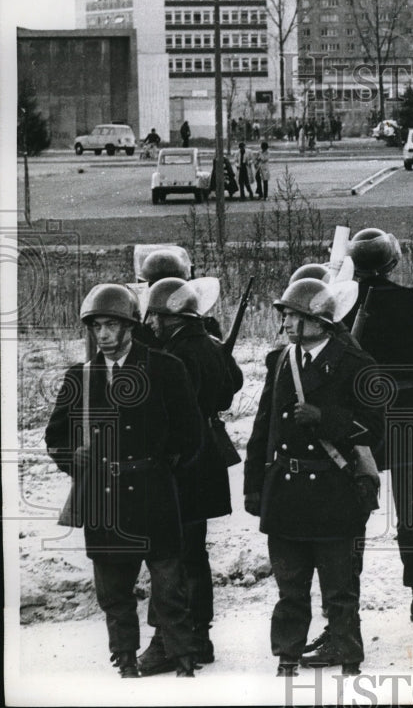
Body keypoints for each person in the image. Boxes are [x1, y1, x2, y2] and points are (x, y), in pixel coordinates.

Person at [45, 284, 203, 677]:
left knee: (169, 585)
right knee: (113, 590)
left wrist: (160, 470)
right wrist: (74, 462)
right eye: (96, 326)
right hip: (104, 496)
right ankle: (126, 658)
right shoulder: (80, 377)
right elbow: (55, 437)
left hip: (153, 492)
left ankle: (183, 656)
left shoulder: (165, 368)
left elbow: (190, 434)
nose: (102, 334)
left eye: (111, 324)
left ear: (130, 326)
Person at [244, 277, 384, 677]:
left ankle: (348, 656)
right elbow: (263, 427)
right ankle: (287, 657)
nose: (287, 323)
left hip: (334, 490)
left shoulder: (356, 363)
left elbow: (374, 428)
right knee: (290, 587)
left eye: (295, 315)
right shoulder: (280, 362)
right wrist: (254, 486)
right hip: (286, 491)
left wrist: (327, 420)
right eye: (286, 315)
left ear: (321, 322)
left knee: (340, 589)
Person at [339, 228, 413, 624]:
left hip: (358, 417)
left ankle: (345, 602)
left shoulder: (341, 304)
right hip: (407, 413)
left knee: (353, 511)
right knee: (410, 512)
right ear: (392, 263)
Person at [135, 278, 239, 675]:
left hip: (180, 461)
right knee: (193, 554)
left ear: (171, 318)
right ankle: (198, 636)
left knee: (168, 555)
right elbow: (232, 388)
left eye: (157, 317)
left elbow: (166, 411)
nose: (153, 324)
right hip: (206, 456)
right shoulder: (208, 344)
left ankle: (168, 642)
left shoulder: (177, 353)